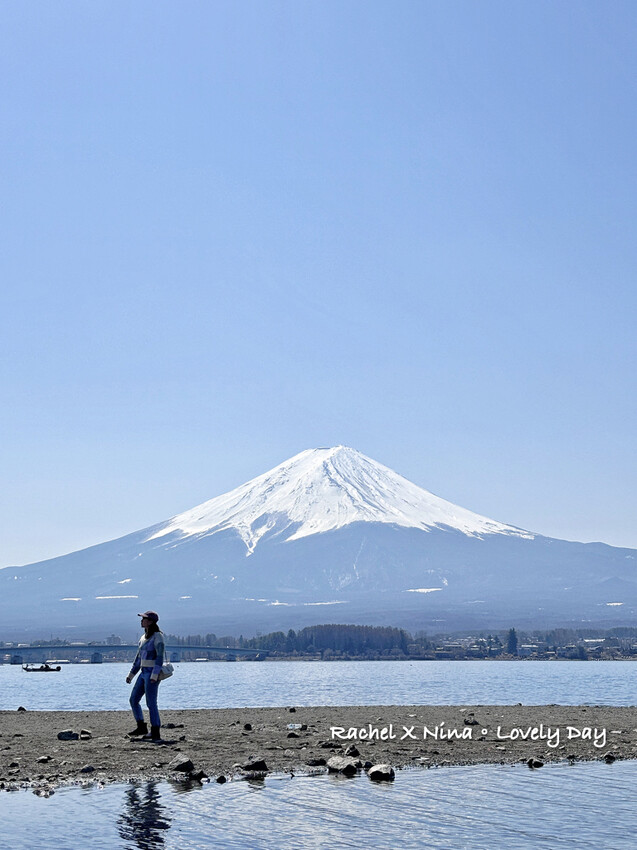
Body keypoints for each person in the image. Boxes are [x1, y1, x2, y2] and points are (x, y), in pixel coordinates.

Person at [126, 610, 165, 741]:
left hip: (152, 674)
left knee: (151, 703)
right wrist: (131, 675)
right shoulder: (143, 638)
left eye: (144, 619)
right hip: (143, 672)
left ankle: (155, 730)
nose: (141, 621)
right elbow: (138, 659)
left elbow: (159, 657)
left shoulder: (158, 637)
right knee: (133, 699)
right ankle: (141, 726)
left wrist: (155, 674)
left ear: (150, 622)